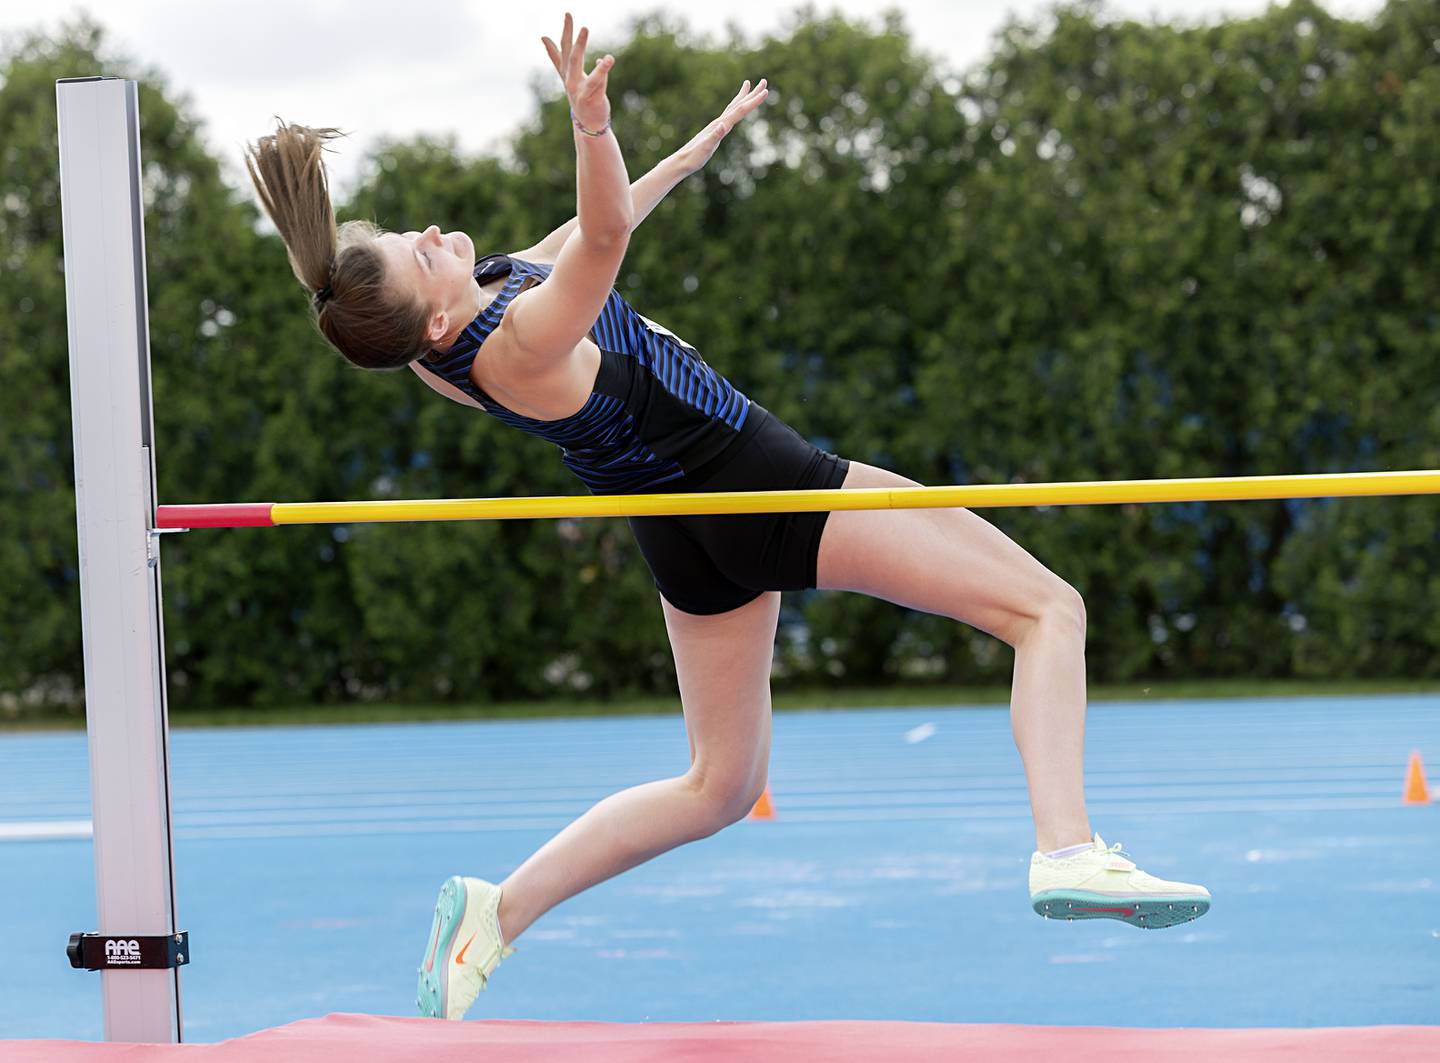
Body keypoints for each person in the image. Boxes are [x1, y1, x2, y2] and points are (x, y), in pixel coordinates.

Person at [244, 12, 1210, 1023]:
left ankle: (498, 911)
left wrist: (690, 154)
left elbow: (587, 231)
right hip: (758, 485)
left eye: (414, 234)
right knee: (1046, 608)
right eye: (423, 255)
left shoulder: (452, 328)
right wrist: (589, 127)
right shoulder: (517, 344)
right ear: (436, 317)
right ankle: (1068, 850)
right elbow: (601, 237)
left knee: (719, 783)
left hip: (680, 526)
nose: (437, 236)